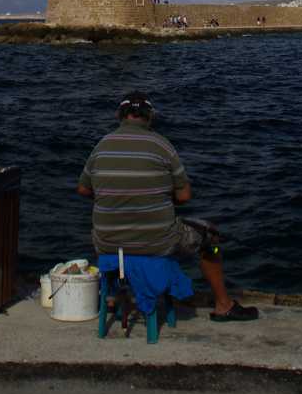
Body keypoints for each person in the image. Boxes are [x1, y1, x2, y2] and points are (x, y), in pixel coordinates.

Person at [77, 90, 258, 322]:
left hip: (107, 243)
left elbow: (83, 189)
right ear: (150, 117)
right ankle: (224, 305)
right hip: (157, 242)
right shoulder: (162, 145)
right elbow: (184, 197)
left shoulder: (101, 146)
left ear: (119, 118)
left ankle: (112, 296)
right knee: (210, 236)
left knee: (107, 228)